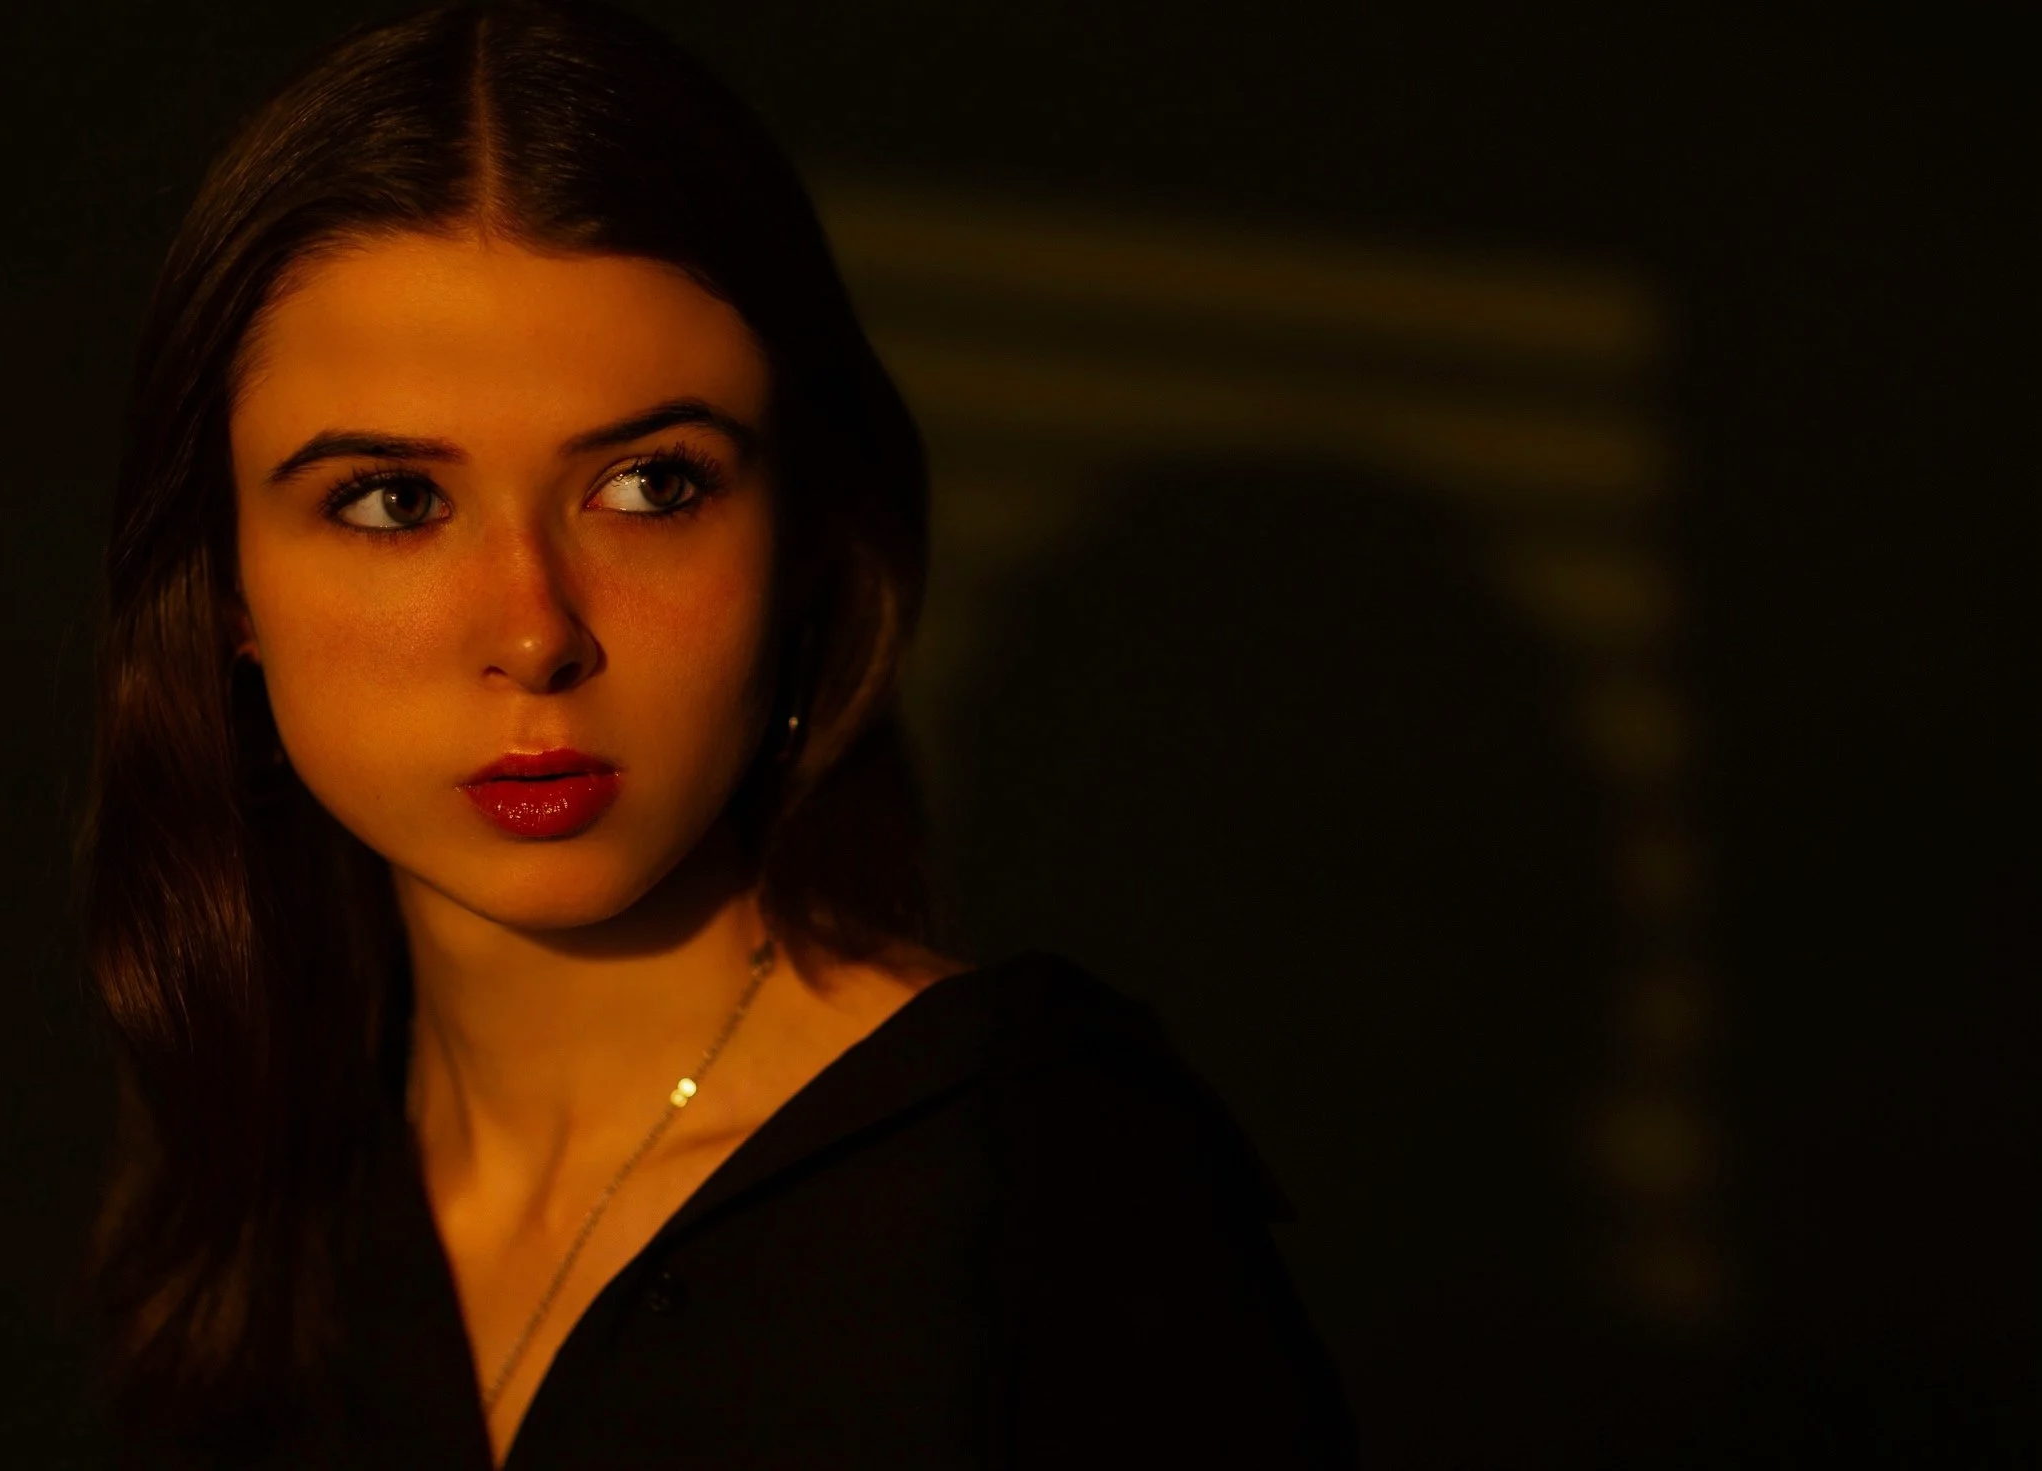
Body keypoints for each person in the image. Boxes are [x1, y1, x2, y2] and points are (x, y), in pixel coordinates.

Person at [77, 1, 1355, 1465]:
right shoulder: (267, 1205)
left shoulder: (1042, 1186)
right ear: (223, 585)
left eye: (650, 487)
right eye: (393, 501)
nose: (536, 633)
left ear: (803, 534)